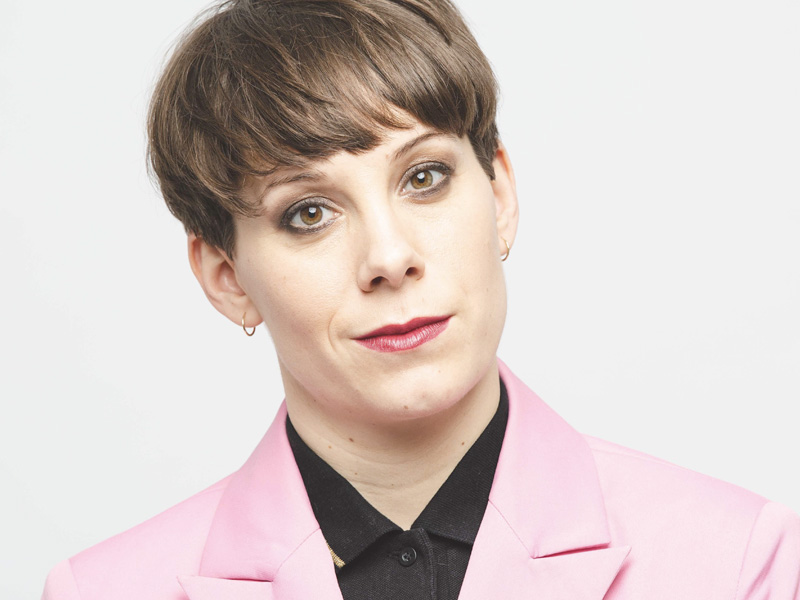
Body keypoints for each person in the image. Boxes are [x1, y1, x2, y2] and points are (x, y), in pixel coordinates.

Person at [41, 0, 800, 598]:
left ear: (499, 194)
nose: (389, 258)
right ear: (226, 276)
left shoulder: (740, 564)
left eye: (424, 177)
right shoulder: (99, 593)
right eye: (308, 212)